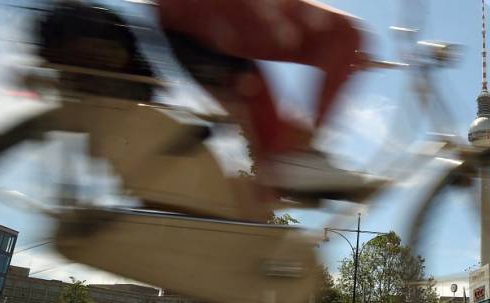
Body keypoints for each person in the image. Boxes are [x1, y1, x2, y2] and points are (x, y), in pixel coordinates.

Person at [156, 0, 384, 199]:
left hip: (187, 30)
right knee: (344, 35)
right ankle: (291, 157)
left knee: (261, 111)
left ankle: (285, 157)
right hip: (196, 17)